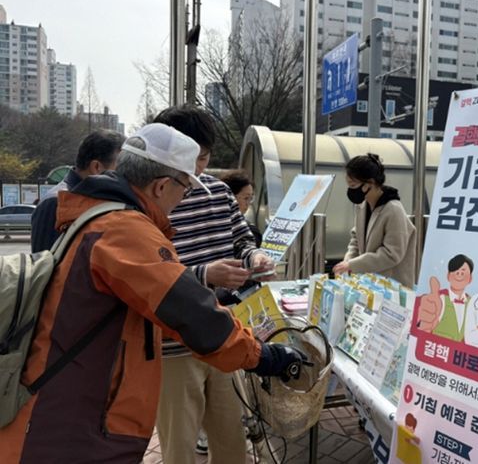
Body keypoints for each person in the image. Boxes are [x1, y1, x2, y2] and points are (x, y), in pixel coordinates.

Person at [0, 123, 304, 464]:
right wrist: (265, 357)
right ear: (161, 186)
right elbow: (192, 313)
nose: (182, 200)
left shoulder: (96, 215)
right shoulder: (125, 230)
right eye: (185, 190)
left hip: (62, 402)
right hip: (72, 420)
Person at [152, 106, 272, 463]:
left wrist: (255, 258)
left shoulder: (219, 192)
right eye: (191, 157)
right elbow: (150, 276)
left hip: (223, 333)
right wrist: (207, 274)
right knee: (179, 448)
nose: (198, 168)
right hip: (173, 343)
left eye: (204, 157)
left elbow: (241, 240)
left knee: (232, 439)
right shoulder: (151, 199)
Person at [30, 129, 123, 251]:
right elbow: (45, 260)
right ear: (96, 167)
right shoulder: (55, 203)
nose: (124, 174)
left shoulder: (92, 197)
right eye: (120, 167)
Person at [333, 153, 416, 287]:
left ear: (369, 183)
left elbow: (391, 254)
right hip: (370, 285)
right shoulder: (362, 206)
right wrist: (348, 261)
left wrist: (353, 264)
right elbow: (356, 239)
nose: (350, 190)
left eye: (353, 185)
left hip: (391, 287)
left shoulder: (393, 210)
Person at [417, 254, 474, 342]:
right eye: (456, 272)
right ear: (448, 276)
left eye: (463, 273)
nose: (459, 275)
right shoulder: (440, 299)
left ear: (470, 278)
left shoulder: (472, 305)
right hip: (435, 346)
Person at [221, 168, 262, 247]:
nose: (248, 203)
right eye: (246, 198)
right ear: (231, 197)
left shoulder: (252, 231)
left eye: (251, 198)